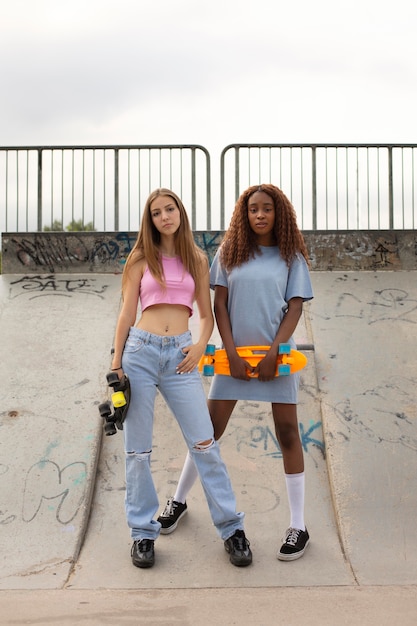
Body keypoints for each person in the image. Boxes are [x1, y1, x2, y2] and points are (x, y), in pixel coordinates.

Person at [157, 183, 314, 561]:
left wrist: (276, 349)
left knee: (289, 434)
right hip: (233, 357)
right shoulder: (230, 252)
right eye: (253, 209)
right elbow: (220, 305)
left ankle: (299, 525)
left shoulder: (292, 257)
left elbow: (294, 308)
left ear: (280, 214)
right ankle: (178, 501)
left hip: (275, 358)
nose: (260, 215)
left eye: (267, 209)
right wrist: (231, 351)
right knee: (206, 434)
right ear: (244, 215)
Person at [110, 188, 252, 569]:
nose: (164, 217)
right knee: (138, 450)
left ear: (180, 212)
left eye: (169, 209)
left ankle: (232, 528)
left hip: (181, 356)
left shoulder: (197, 260)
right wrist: (116, 362)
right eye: (156, 213)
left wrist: (201, 345)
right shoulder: (140, 259)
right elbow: (126, 314)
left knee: (205, 443)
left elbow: (206, 315)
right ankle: (142, 534)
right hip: (139, 352)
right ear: (150, 220)